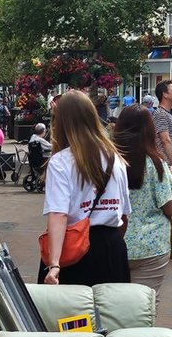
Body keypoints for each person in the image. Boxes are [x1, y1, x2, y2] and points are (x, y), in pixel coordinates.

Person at [40, 89, 130, 286]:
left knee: (72, 315)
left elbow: (58, 214)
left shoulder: (61, 161)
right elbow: (124, 215)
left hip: (73, 249)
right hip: (111, 247)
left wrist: (54, 264)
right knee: (109, 314)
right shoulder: (115, 158)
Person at [113, 103, 172, 306]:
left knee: (115, 305)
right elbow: (171, 207)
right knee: (145, 306)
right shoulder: (154, 163)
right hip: (151, 245)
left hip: (115, 242)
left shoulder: (108, 161)